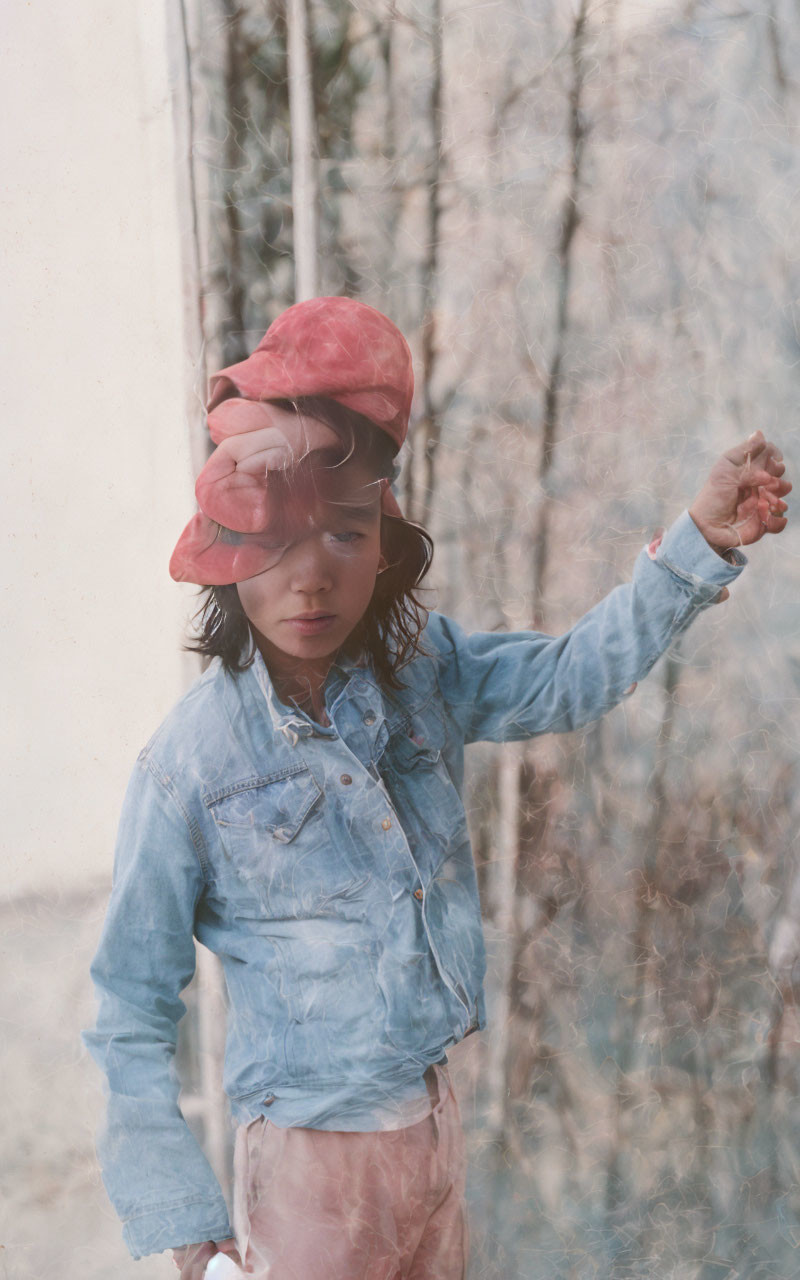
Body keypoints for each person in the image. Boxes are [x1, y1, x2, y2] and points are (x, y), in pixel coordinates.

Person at [84, 296, 790, 1280]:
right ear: (229, 557)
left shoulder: (424, 673)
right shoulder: (190, 762)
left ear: (385, 541)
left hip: (430, 1127)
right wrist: (187, 1226)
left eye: (343, 532)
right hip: (304, 1167)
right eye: (277, 541)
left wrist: (698, 542)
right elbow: (128, 1007)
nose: (311, 578)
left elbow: (568, 675)